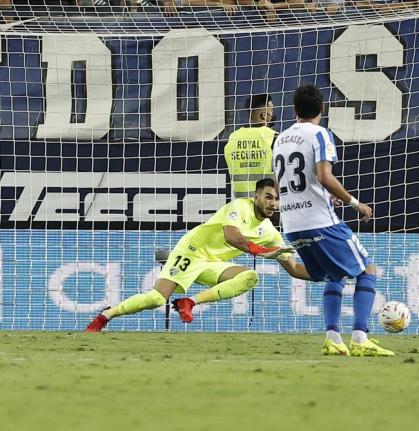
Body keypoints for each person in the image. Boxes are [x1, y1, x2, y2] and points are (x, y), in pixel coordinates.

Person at [86, 178, 311, 331]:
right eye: (269, 197)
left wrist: (330, 273)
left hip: (212, 263)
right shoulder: (240, 206)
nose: (273, 203)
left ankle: (189, 301)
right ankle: (106, 315)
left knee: (250, 277)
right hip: (191, 251)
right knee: (156, 298)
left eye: (277, 199)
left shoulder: (271, 234)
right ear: (256, 196)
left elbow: (294, 269)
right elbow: (232, 237)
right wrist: (265, 252)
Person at [273, 84, 393, 357]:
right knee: (367, 270)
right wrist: (354, 202)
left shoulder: (280, 139)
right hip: (320, 221)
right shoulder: (320, 134)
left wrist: (328, 198)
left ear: (294, 110)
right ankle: (361, 337)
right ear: (322, 108)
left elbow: (293, 183)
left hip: (292, 223)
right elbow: (324, 176)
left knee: (334, 273)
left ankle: (332, 338)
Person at [224, 94, 277, 199]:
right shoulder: (273, 137)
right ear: (264, 115)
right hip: (267, 206)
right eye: (271, 111)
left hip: (241, 206)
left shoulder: (233, 138)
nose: (273, 114)